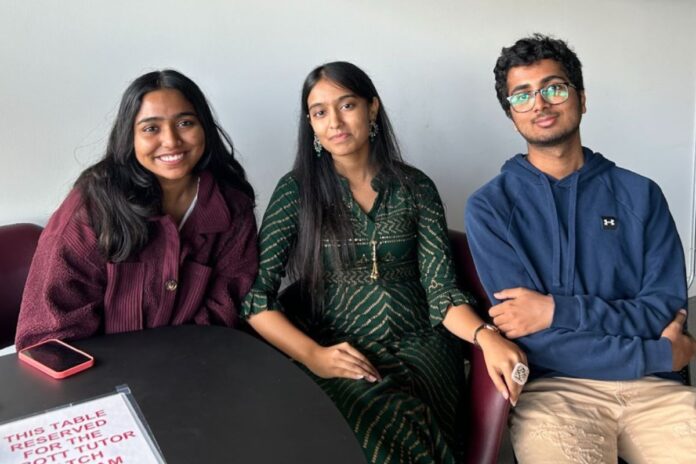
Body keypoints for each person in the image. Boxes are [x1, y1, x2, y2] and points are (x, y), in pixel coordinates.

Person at [242, 61, 525, 464]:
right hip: (339, 345)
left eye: (347, 105)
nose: (334, 121)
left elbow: (442, 292)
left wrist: (485, 336)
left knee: (408, 413)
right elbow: (256, 299)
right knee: (357, 419)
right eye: (320, 112)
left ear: (372, 108)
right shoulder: (297, 191)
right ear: (311, 124)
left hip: (423, 346)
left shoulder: (415, 187)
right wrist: (312, 356)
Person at [465, 34, 696, 463]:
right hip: (556, 392)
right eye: (522, 96)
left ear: (582, 98)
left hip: (656, 390)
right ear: (511, 115)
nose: (540, 104)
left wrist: (555, 310)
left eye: (554, 88)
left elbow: (662, 311)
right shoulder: (491, 207)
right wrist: (657, 351)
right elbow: (531, 337)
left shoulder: (641, 194)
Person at [15, 70, 258, 350]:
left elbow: (226, 307)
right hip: (99, 378)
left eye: (185, 123)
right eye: (151, 128)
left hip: (194, 366)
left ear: (204, 127)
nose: (171, 141)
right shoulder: (93, 206)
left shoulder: (232, 207)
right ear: (129, 137)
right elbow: (52, 331)